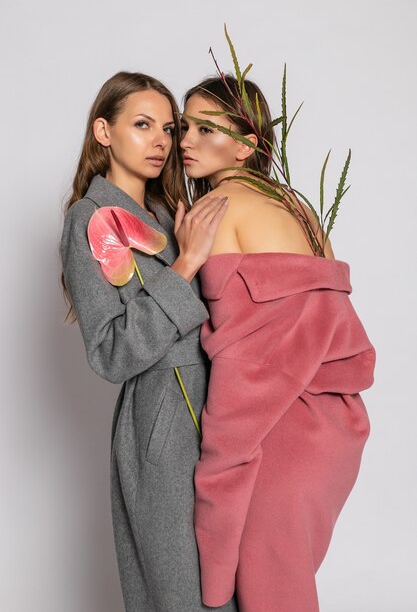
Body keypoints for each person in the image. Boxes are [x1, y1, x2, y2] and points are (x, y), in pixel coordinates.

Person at [181, 75, 376, 612]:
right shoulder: (300, 206)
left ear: (246, 144)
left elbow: (248, 363)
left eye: (204, 129)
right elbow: (326, 319)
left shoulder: (218, 210)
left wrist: (219, 466)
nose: (185, 141)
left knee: (269, 597)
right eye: (184, 127)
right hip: (334, 429)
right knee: (287, 590)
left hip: (280, 435)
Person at [60, 71, 238, 612]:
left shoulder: (171, 212)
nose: (162, 141)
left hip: (224, 406)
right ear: (104, 131)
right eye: (142, 125)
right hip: (161, 419)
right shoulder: (88, 220)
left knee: (234, 580)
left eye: (169, 127)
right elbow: (111, 352)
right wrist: (184, 266)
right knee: (185, 592)